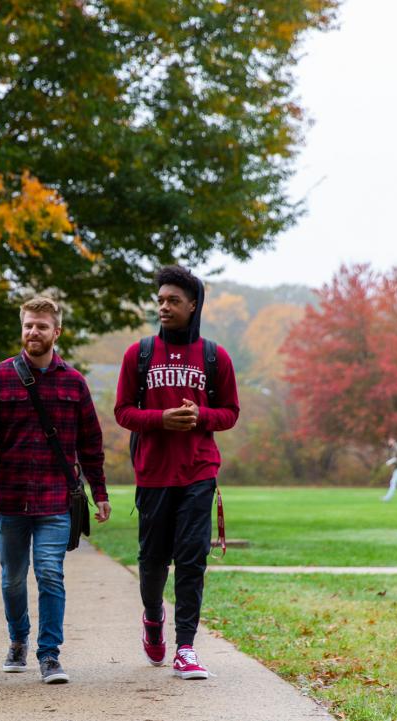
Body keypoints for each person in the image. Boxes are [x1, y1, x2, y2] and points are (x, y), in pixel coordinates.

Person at [0, 296, 111, 684]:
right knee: (12, 579)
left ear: (57, 332)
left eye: (41, 326)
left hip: (56, 498)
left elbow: (91, 443)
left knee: (50, 573)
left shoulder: (74, 383)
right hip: (11, 498)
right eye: (28, 325)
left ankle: (49, 654)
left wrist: (99, 492)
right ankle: (18, 640)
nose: (33, 332)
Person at [114, 265, 239, 680]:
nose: (164, 307)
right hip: (153, 474)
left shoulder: (214, 356)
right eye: (160, 300)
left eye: (173, 301)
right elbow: (123, 412)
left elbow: (230, 413)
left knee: (191, 560)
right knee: (152, 563)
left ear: (193, 305)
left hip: (199, 473)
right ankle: (153, 615)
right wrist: (160, 419)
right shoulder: (140, 354)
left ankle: (186, 647)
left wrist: (201, 415)